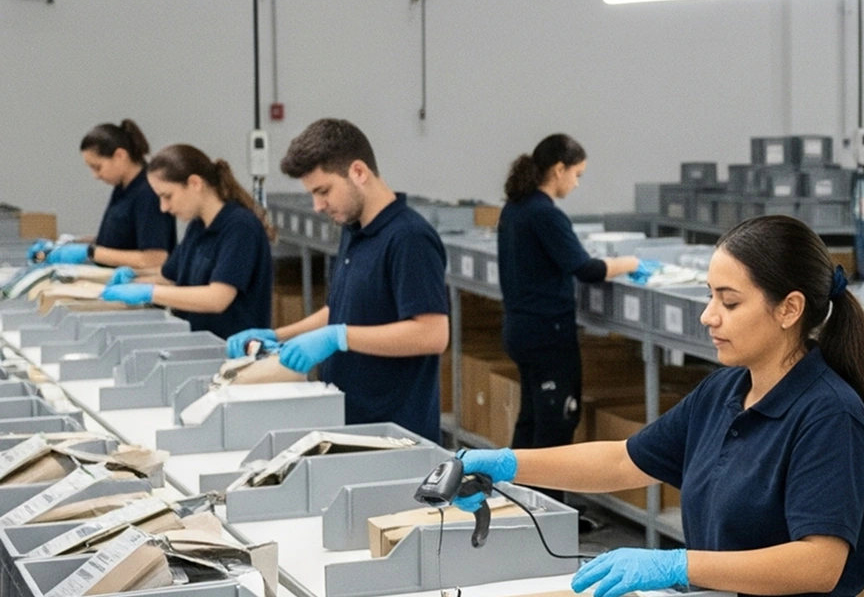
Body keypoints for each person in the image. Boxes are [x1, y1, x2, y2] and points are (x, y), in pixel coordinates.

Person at [451, 215, 864, 597]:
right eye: (709, 296)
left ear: (789, 309)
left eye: (729, 302)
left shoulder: (829, 415)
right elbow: (623, 461)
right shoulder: (724, 391)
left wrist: (677, 564)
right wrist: (507, 465)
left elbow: (819, 564)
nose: (708, 315)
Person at [224, 119, 449, 442]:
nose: (318, 206)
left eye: (323, 191)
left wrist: (339, 337)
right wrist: (279, 336)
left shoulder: (409, 237)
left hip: (395, 434)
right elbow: (341, 310)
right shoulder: (353, 231)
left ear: (358, 172)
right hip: (350, 421)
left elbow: (432, 334)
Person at [496, 134, 654, 469]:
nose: (577, 183)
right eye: (576, 174)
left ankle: (517, 494)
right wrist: (631, 263)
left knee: (531, 420)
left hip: (520, 329)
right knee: (556, 426)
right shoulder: (545, 214)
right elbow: (587, 269)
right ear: (559, 170)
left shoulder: (515, 208)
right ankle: (549, 501)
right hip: (547, 334)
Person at [98, 145, 275, 338]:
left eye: (167, 196)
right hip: (199, 342)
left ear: (194, 183)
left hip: (230, 347)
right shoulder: (198, 226)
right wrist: (133, 279)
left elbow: (217, 298)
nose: (163, 208)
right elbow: (170, 275)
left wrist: (148, 292)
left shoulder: (240, 227)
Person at [31, 121, 177, 270]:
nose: (96, 176)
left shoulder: (148, 193)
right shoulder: (122, 189)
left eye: (97, 167)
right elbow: (116, 241)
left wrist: (90, 253)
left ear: (120, 155)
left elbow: (154, 259)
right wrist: (68, 244)